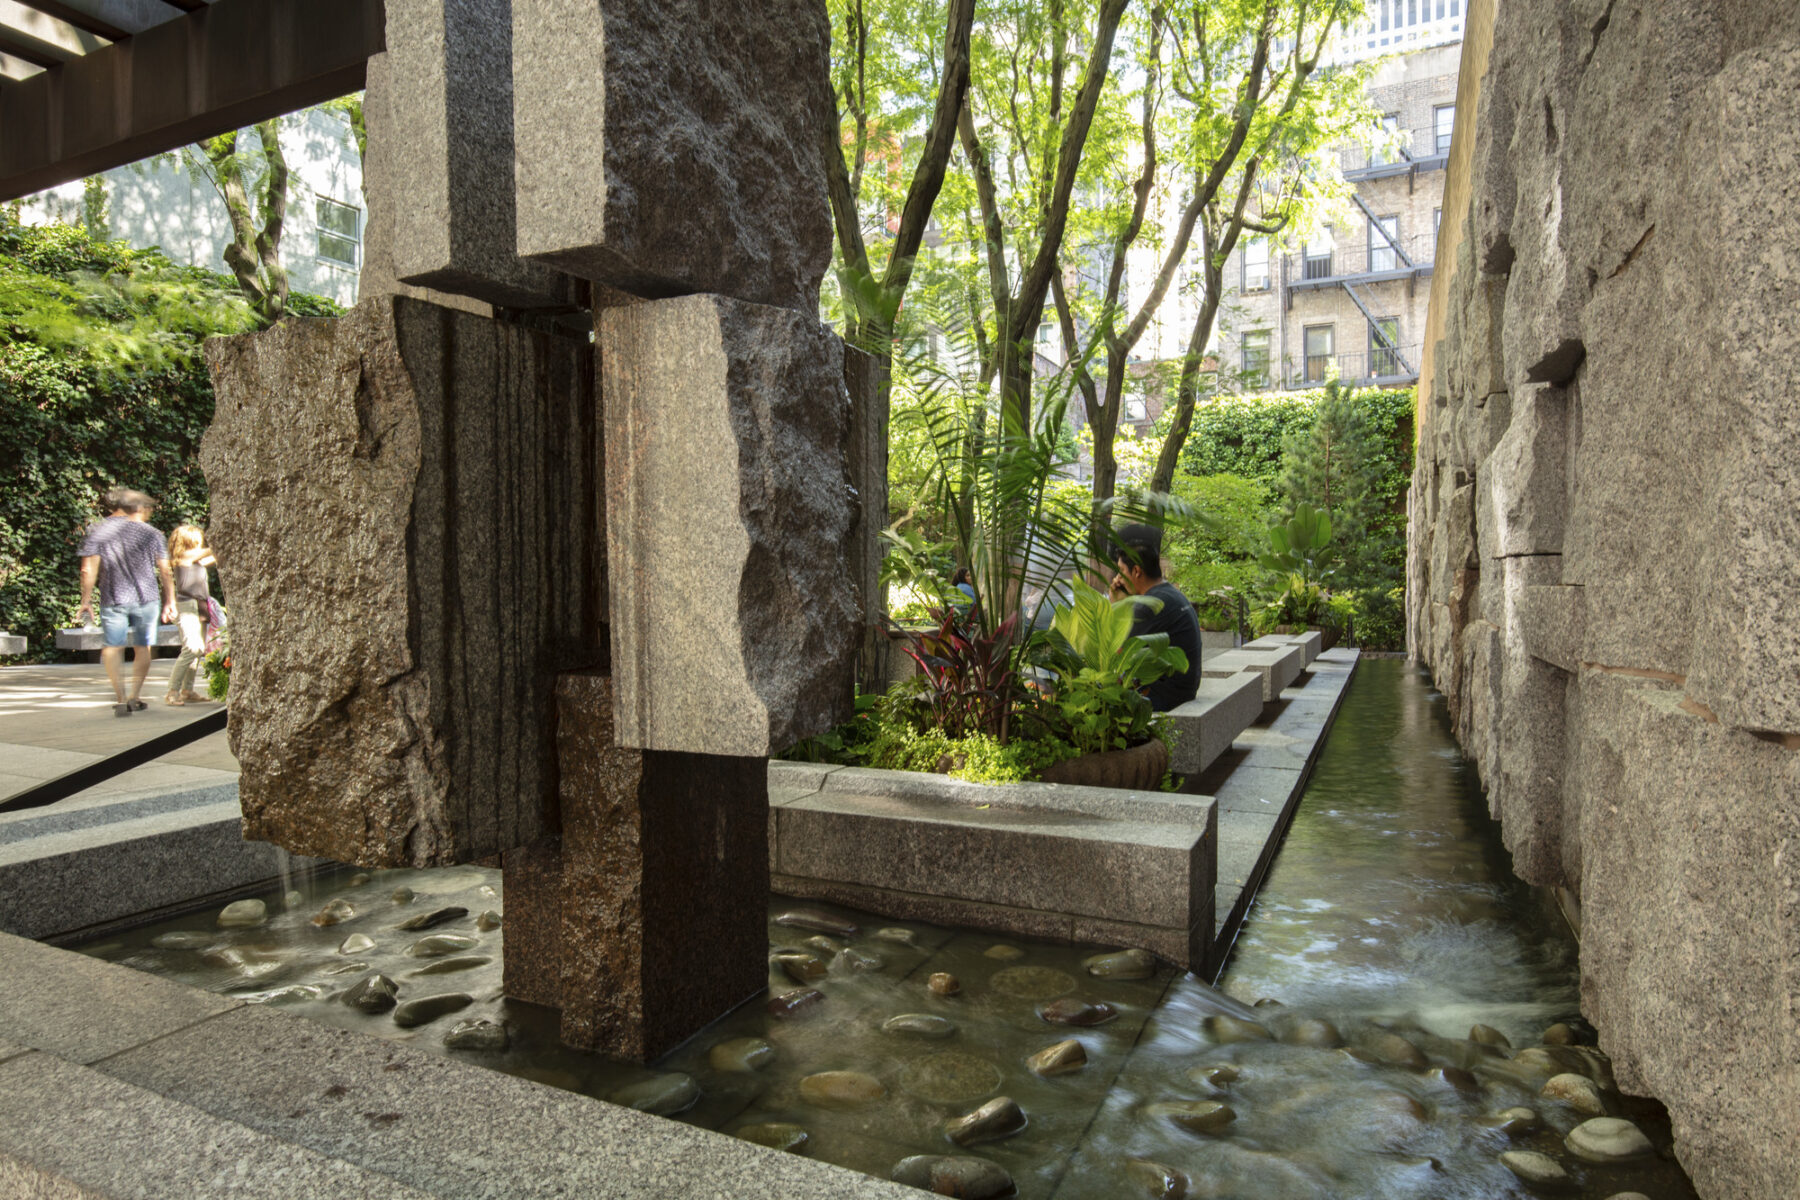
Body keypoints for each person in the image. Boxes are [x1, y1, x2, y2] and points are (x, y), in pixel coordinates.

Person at [75, 488, 176, 717]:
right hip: (147, 598)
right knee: (143, 647)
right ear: (138, 507)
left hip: (113, 597)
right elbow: (165, 570)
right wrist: (170, 600)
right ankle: (134, 696)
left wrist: (86, 600)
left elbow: (87, 569)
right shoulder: (151, 533)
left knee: (112, 645)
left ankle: (120, 697)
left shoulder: (97, 530)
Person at [1110, 522, 1202, 712]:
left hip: (1164, 697)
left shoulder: (1150, 606)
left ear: (1136, 571)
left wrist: (1117, 605)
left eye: (1121, 571)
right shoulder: (1168, 594)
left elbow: (1116, 654)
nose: (1118, 579)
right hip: (1183, 689)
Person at [164, 524, 216, 706]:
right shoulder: (183, 557)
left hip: (200, 605)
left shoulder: (195, 560)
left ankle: (188, 690)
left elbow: (214, 556)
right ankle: (172, 691)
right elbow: (213, 549)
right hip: (187, 606)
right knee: (191, 648)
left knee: (199, 649)